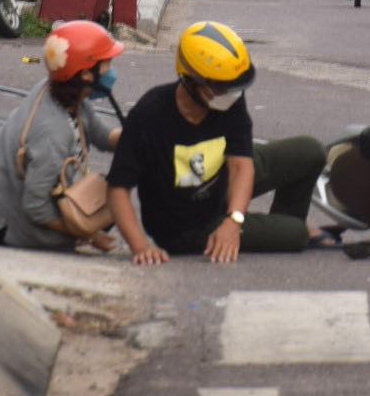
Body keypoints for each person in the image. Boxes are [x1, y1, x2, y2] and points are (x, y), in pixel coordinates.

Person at [107, 21, 332, 264]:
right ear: (190, 80)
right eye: (220, 87)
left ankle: (280, 223)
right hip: (188, 227)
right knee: (297, 235)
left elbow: (241, 165)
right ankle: (286, 230)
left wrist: (234, 221)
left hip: (221, 181)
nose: (231, 94)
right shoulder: (149, 115)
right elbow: (118, 190)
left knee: (310, 151)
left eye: (234, 87)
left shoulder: (228, 101)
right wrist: (140, 247)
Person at [0, 21, 123, 250]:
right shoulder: (52, 132)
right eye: (106, 64)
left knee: (91, 211)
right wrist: (89, 235)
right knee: (92, 218)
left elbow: (101, 134)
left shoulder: (60, 91)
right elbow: (37, 207)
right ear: (85, 74)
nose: (111, 71)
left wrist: (138, 137)